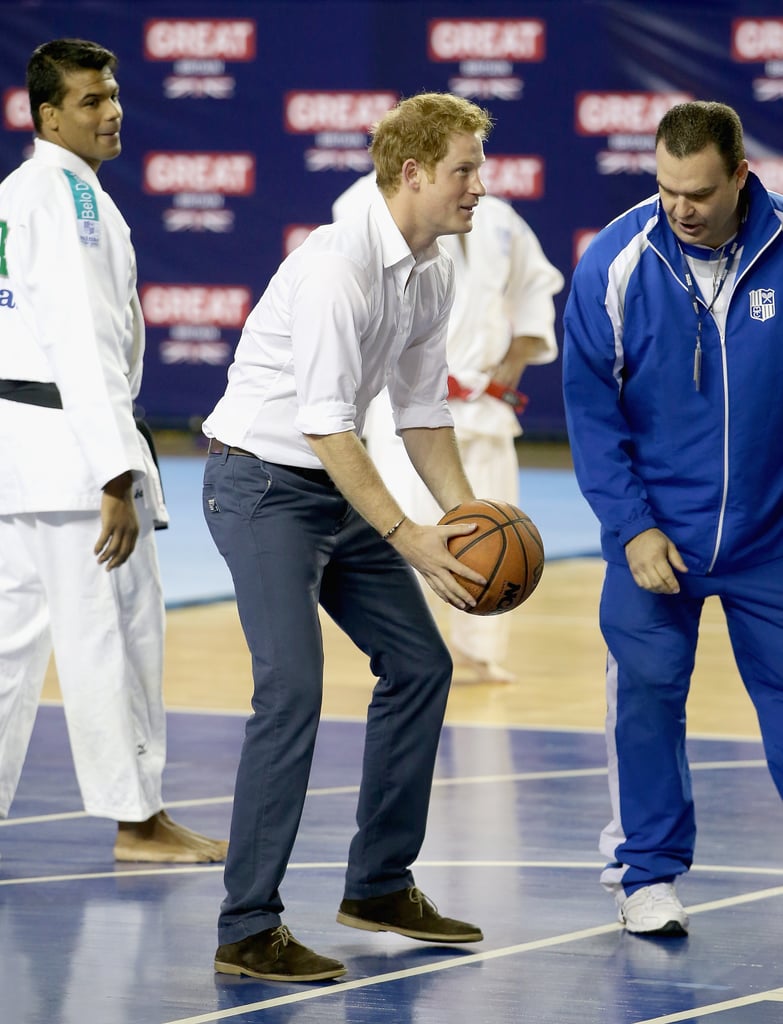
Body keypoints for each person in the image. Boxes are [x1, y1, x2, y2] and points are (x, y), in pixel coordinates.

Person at [202, 91, 495, 982]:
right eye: (465, 170)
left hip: (330, 484)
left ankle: (377, 883)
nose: (479, 186)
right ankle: (247, 926)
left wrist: (471, 521)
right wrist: (410, 534)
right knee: (290, 691)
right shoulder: (336, 266)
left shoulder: (432, 266)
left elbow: (419, 411)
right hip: (260, 483)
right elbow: (329, 426)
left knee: (421, 664)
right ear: (412, 175)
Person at [0, 38, 227, 864]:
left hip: (17, 455)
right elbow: (84, 340)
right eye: (91, 102)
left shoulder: (19, 191)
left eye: (115, 96)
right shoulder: (70, 200)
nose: (112, 112)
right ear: (50, 116)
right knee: (116, 634)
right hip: (70, 455)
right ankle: (138, 820)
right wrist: (115, 472)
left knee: (7, 647)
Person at [562, 100, 783, 937]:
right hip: (656, 536)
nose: (679, 207)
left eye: (697, 191)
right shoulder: (615, 262)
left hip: (771, 539)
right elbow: (590, 411)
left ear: (739, 176)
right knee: (645, 705)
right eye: (664, 189)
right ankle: (645, 875)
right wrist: (631, 528)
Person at [334, 176, 563, 683]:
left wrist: (519, 351)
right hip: (407, 409)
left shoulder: (499, 218)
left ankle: (478, 650)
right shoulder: (363, 204)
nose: (474, 182)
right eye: (462, 167)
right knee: (413, 527)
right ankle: (410, 650)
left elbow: (536, 284)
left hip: (483, 404)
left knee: (493, 527)